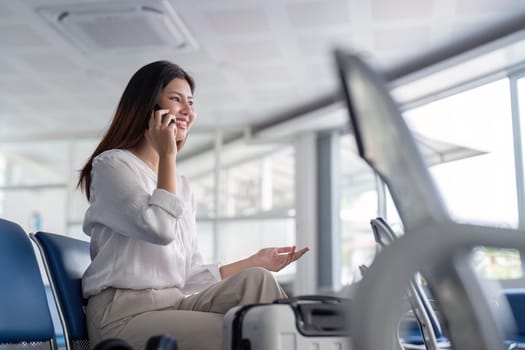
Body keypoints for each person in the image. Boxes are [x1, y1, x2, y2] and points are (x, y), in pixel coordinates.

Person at [77, 60, 309, 350]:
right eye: (176, 100)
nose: (188, 111)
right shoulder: (113, 164)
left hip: (172, 303)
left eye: (190, 102)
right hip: (122, 315)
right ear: (147, 108)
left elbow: (191, 275)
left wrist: (256, 261)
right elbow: (160, 229)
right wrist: (168, 156)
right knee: (248, 333)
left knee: (257, 281)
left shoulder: (181, 186)